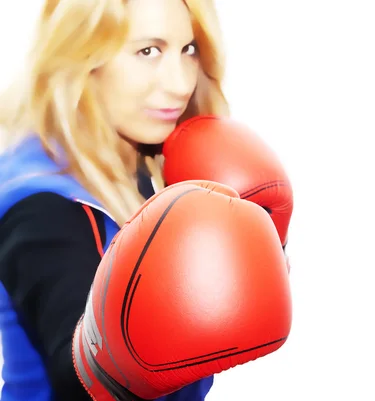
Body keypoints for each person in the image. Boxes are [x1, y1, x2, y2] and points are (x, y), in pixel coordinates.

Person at [0, 0, 232, 399]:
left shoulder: (134, 166)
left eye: (188, 49)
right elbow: (85, 376)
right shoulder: (45, 205)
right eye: (148, 51)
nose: (179, 83)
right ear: (83, 56)